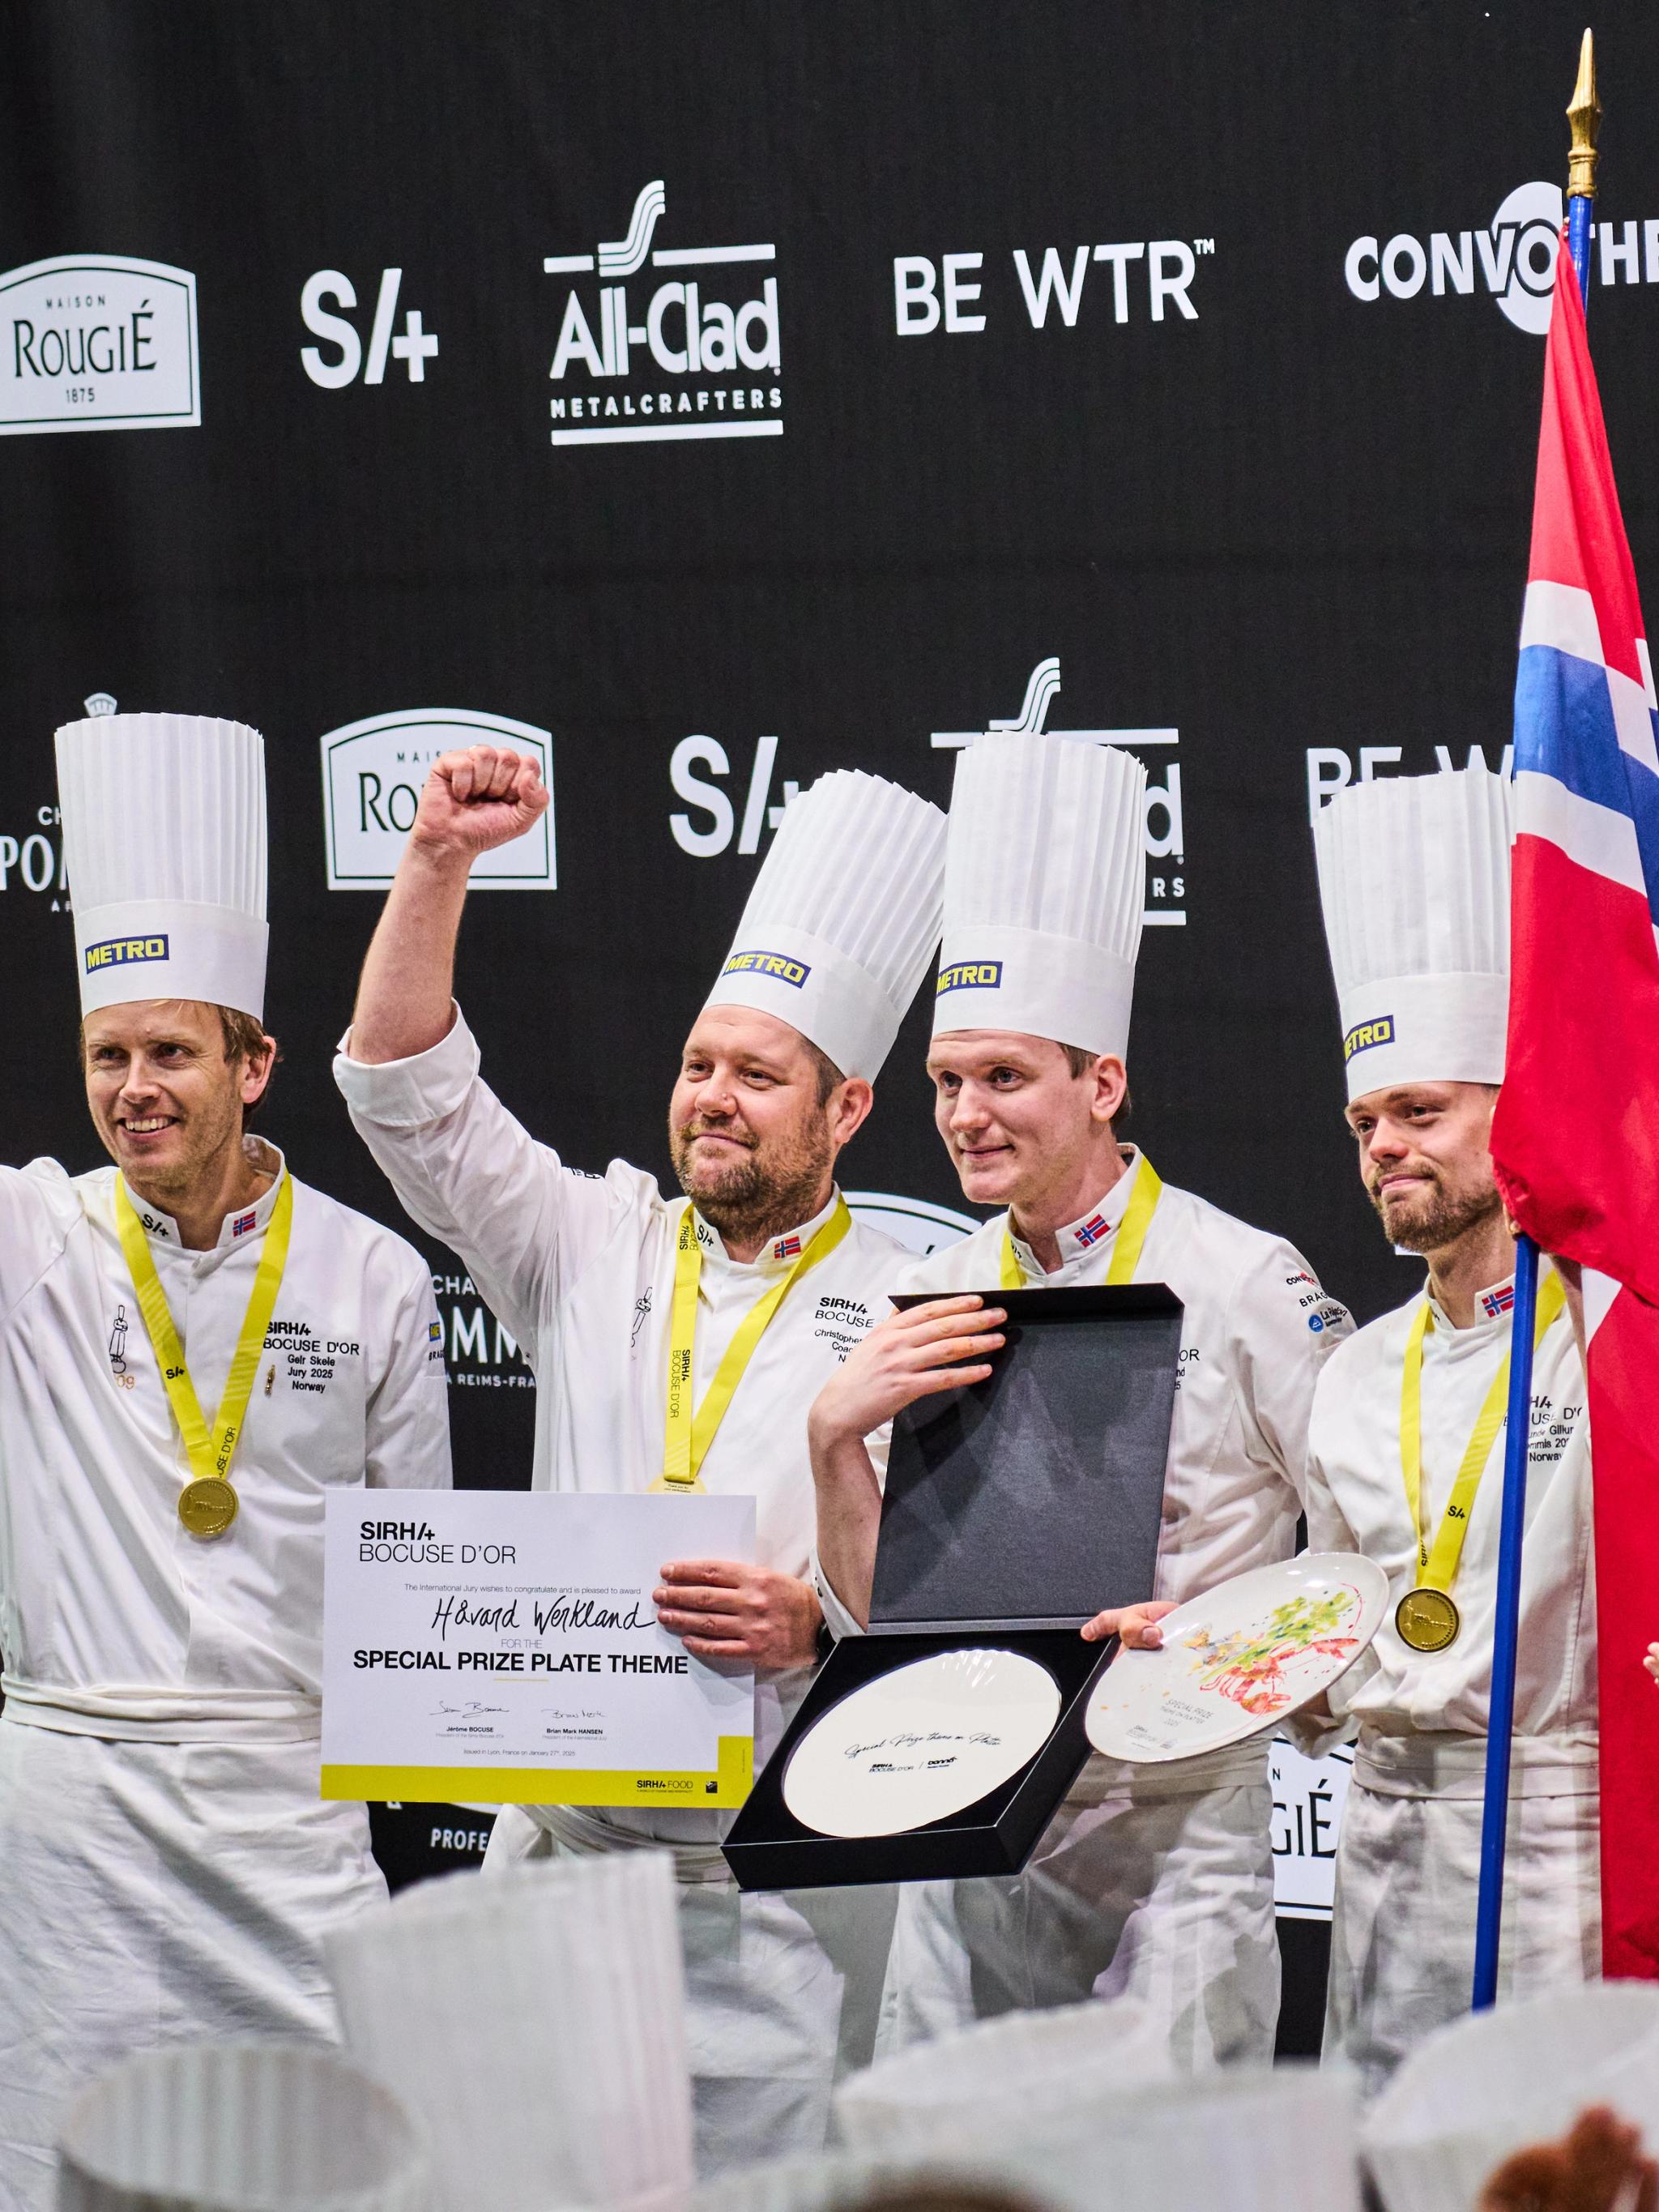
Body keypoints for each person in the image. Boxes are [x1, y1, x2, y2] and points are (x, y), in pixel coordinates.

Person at [335, 745, 946, 2172]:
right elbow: (401, 1088)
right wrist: (432, 860)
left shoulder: (935, 1288)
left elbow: (967, 1619)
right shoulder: (587, 1240)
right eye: (696, 1064)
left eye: (757, 1075)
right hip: (563, 1882)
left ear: (847, 1109)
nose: (712, 1097)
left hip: (790, 1898)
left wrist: (821, 1625)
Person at [809, 728, 1351, 2069]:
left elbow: (1355, 1567)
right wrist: (831, 1442)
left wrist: (1219, 1632)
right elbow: (885, 1619)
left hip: (1182, 1822)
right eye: (947, 1081)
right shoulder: (931, 1285)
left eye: (1005, 1077)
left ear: (1101, 1081)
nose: (965, 1114)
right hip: (977, 1804)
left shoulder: (1244, 1278)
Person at [0, 711, 451, 2210]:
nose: (136, 1086)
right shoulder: (32, 1243)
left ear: (255, 1063)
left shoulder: (377, 1274)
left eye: (173, 1052)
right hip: (70, 1823)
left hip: (288, 1812)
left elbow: (422, 1574)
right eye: (107, 1054)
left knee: (318, 2172)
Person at [1295, 763, 1596, 2095]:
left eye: (1421, 1114)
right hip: (1382, 1835)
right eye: (1366, 1123)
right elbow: (1325, 1631)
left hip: (1561, 1837)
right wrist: (1207, 1663)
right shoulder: (1354, 1375)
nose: (1384, 1151)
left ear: (1513, 1110)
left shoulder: (1618, 1341)